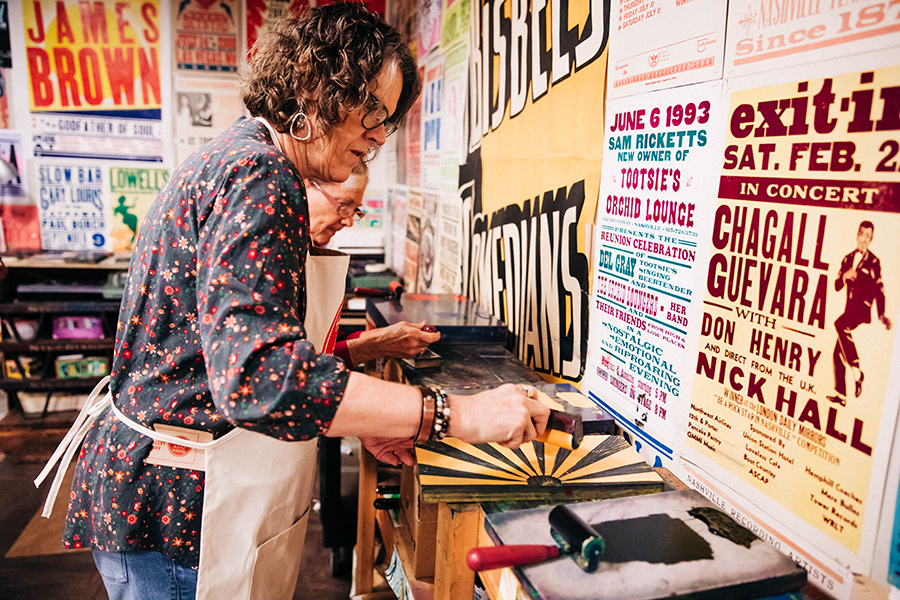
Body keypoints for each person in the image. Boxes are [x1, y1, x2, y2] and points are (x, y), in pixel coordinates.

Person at [36, 5, 549, 600]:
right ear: (313, 82)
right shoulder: (260, 175)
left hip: (160, 492)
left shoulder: (235, 157)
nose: (380, 138)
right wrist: (452, 414)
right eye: (374, 113)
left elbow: (226, 361)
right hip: (177, 511)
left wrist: (369, 420)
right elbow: (259, 377)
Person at [304, 163, 439, 366]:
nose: (349, 222)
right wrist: (373, 345)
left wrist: (382, 337)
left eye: (354, 211)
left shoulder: (311, 249)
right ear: (304, 185)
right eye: (342, 205)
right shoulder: (273, 255)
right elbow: (294, 366)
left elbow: (325, 341)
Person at [827, 220, 892, 406]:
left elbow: (879, 288)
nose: (863, 239)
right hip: (849, 309)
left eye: (868, 236)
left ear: (871, 239)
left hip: (861, 309)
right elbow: (837, 285)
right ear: (857, 234)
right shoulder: (848, 258)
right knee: (836, 354)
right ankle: (841, 395)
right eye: (861, 234)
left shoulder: (873, 261)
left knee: (839, 325)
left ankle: (857, 370)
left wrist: (881, 313)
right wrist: (845, 276)